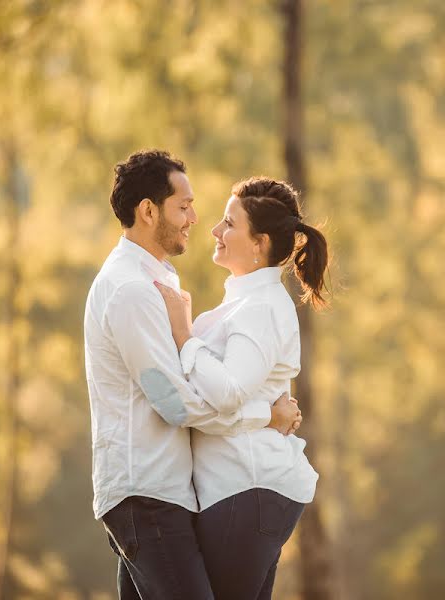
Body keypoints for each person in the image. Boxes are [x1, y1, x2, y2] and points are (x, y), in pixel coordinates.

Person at [83, 151, 302, 600]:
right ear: (148, 211)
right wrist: (266, 416)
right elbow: (174, 403)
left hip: (166, 492)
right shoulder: (130, 291)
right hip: (146, 493)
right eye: (183, 206)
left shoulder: (155, 280)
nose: (194, 219)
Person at [153, 176, 329, 600]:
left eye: (229, 223)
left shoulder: (263, 308)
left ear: (259, 243)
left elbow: (228, 390)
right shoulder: (243, 305)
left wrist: (185, 339)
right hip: (239, 491)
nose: (214, 231)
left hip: (245, 488)